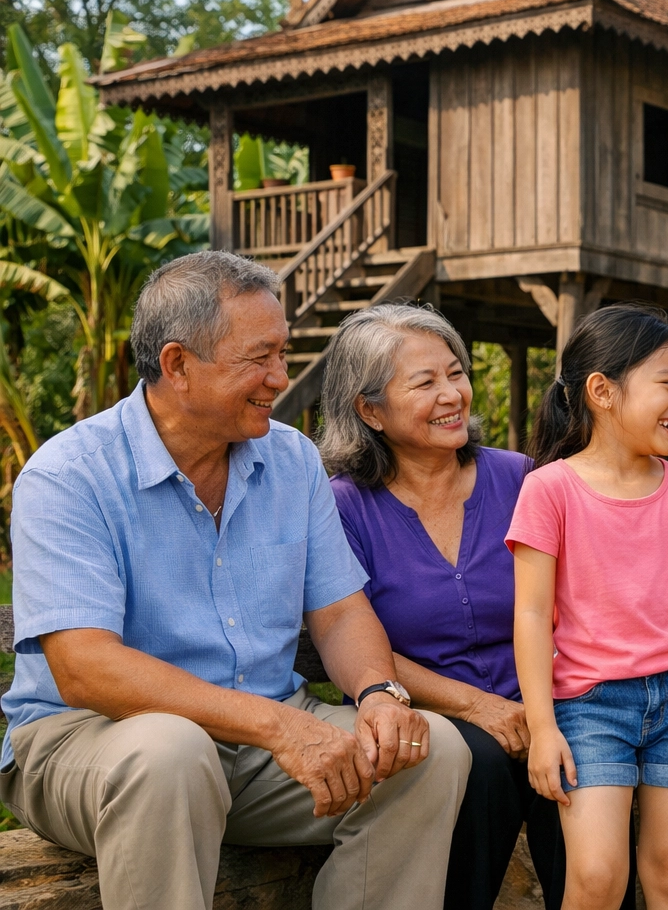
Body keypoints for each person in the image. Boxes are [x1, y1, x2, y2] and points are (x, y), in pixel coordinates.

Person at [0, 252, 471, 910]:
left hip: (258, 749)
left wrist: (379, 695)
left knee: (429, 749)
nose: (280, 377)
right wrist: (279, 728)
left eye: (282, 354)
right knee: (170, 752)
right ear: (177, 365)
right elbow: (86, 670)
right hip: (91, 740)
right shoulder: (69, 475)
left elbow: (339, 612)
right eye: (259, 358)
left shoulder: (290, 458)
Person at [323, 304, 620, 910]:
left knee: (577, 757)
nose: (452, 394)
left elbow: (591, 592)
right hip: (438, 716)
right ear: (370, 410)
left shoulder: (521, 480)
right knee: (476, 762)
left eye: (456, 374)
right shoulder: (344, 507)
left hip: (549, 701)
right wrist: (479, 707)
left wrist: (539, 712)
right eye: (425, 382)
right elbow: (356, 642)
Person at [509, 304, 668, 910]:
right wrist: (542, 728)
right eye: (666, 385)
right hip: (589, 709)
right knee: (595, 877)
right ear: (602, 391)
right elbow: (532, 617)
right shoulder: (548, 490)